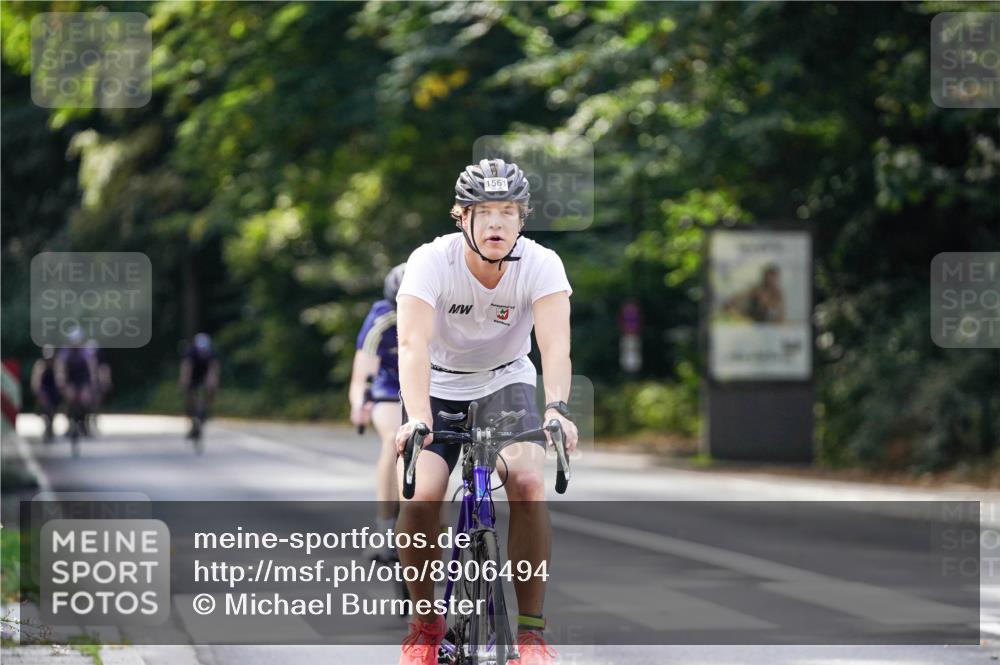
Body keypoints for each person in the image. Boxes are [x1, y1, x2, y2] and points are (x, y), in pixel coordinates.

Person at [393, 158, 579, 665]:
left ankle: (531, 634)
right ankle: (425, 627)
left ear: (522, 218)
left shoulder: (542, 263)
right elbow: (411, 345)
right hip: (437, 385)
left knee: (528, 483)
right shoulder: (431, 261)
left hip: (505, 382)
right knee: (421, 496)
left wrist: (557, 408)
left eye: (508, 212)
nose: (497, 223)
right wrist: (416, 417)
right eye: (485, 212)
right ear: (462, 216)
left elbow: (554, 346)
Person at [349, 263, 406, 562]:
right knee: (394, 439)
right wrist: (359, 402)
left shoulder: (443, 315)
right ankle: (385, 530)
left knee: (436, 453)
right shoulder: (382, 318)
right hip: (389, 390)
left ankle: (437, 531)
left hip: (432, 388)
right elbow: (362, 374)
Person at [55, 327, 98, 439]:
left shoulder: (86, 351)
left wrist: (90, 385)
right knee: (69, 400)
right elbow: (60, 367)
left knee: (86, 400)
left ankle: (85, 424)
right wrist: (62, 382)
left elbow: (91, 368)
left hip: (83, 380)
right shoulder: (65, 351)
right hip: (70, 380)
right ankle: (70, 424)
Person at [180, 333, 220, 439]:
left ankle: (208, 409)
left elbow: (213, 369)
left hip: (204, 375)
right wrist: (184, 381)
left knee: (211, 389)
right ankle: (192, 417)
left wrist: (213, 382)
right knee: (189, 396)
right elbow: (186, 367)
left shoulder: (211, 354)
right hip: (193, 375)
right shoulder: (191, 352)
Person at [30, 345, 61, 442]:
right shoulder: (40, 366)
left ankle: (50, 424)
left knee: (54, 406)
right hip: (44, 393)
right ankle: (47, 423)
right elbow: (35, 384)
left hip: (54, 393)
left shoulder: (57, 366)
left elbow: (61, 380)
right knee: (45, 406)